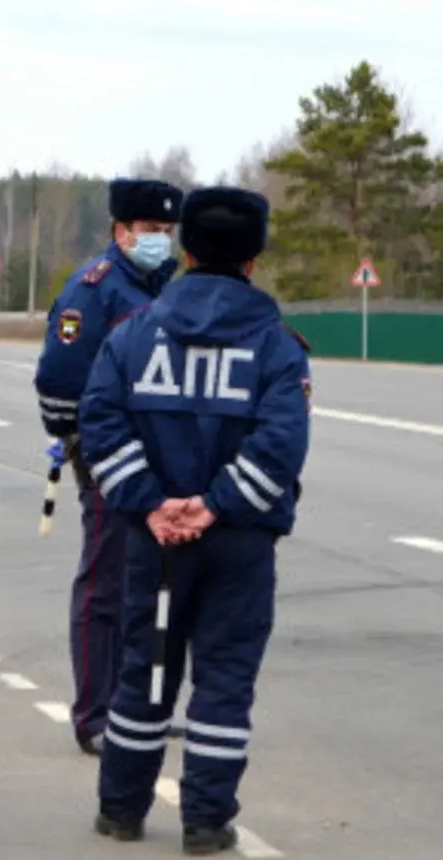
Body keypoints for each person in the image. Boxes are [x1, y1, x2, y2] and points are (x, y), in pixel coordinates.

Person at [78, 186, 312, 854]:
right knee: (225, 679)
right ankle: (206, 822)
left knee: (144, 672)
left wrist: (152, 503)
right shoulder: (276, 347)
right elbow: (282, 444)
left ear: (183, 250)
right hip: (237, 544)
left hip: (155, 544)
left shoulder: (134, 334)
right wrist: (215, 506)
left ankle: (121, 810)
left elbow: (99, 419)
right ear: (255, 260)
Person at [32, 177, 184, 756]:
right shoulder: (93, 289)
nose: (160, 242)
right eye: (150, 232)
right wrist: (84, 449)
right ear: (121, 232)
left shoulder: (170, 286)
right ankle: (94, 714)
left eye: (168, 233)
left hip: (164, 460)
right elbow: (59, 380)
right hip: (110, 459)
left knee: (153, 589)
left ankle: (137, 707)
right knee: (106, 587)